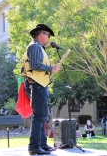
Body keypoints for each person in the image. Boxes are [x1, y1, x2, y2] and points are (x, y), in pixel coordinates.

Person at [22, 24, 60, 155]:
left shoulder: (39, 48)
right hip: (35, 85)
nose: (49, 38)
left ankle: (42, 144)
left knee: (43, 116)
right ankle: (34, 146)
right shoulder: (34, 46)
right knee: (39, 116)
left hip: (39, 85)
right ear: (41, 34)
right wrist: (51, 69)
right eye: (48, 35)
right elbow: (35, 65)